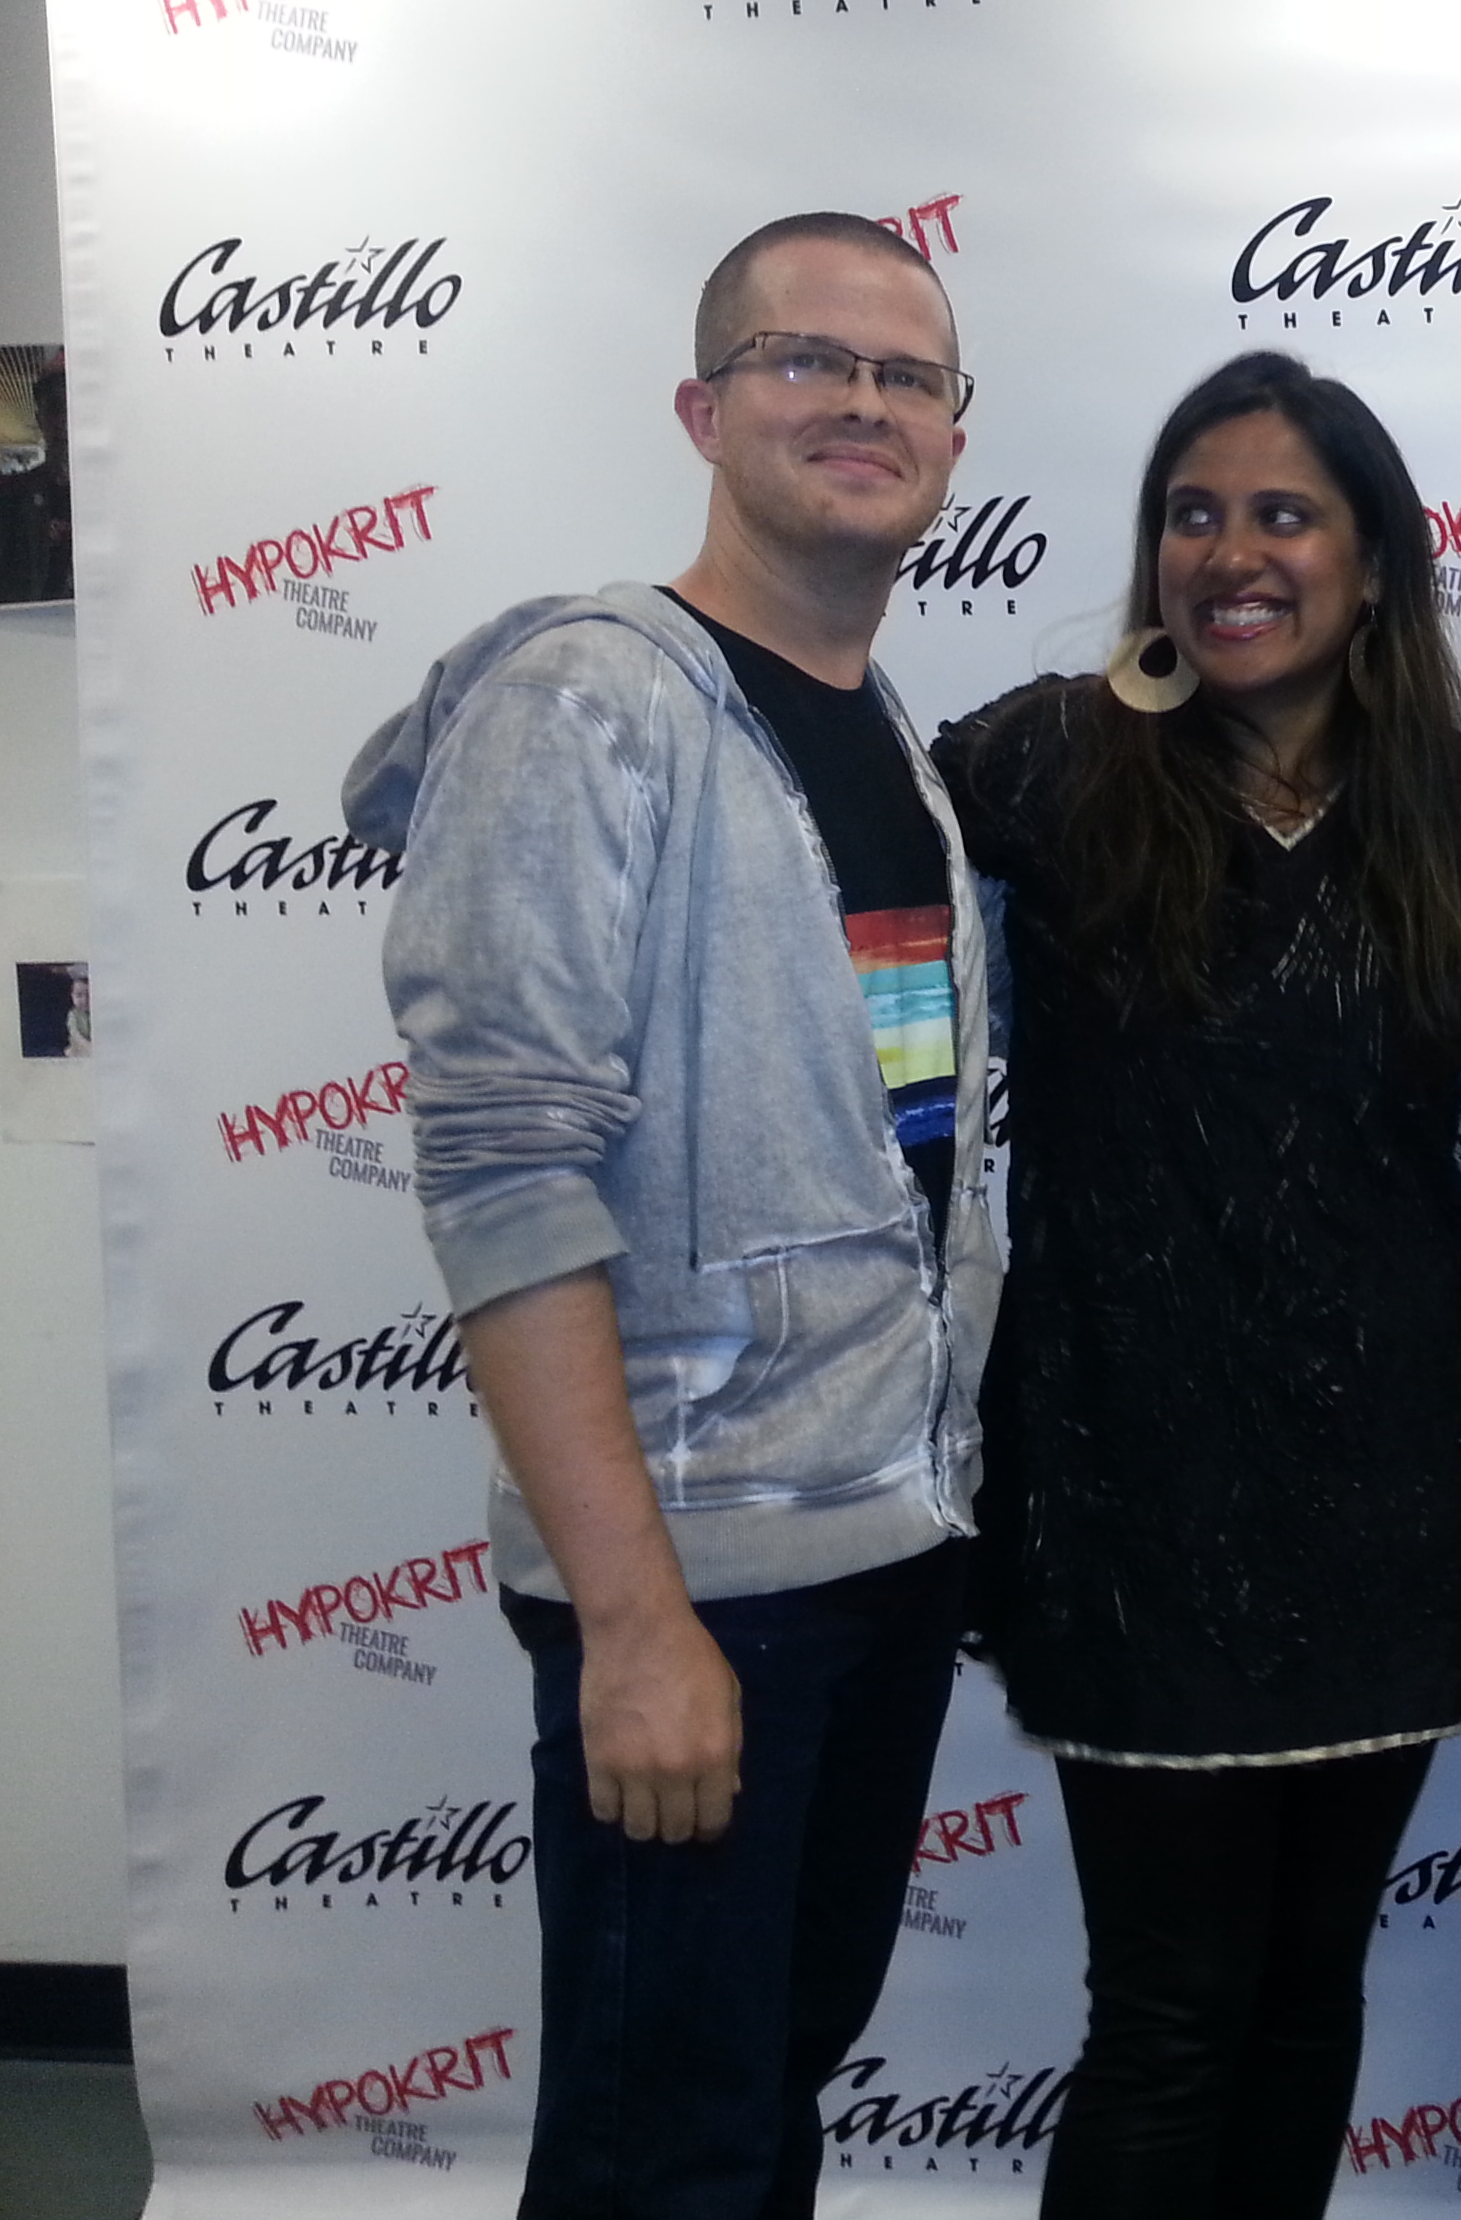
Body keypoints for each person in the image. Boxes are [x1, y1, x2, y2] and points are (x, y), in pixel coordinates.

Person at [346, 212, 999, 2217]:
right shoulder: (593, 700)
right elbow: (503, 1167)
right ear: (706, 408)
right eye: (812, 362)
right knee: (664, 2152)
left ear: (956, 437)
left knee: (757, 2098)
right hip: (700, 1597)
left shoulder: (890, 738)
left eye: (908, 377)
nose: (863, 404)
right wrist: (635, 1625)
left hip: (883, 1551)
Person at [929, 352, 1461, 2220]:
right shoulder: (1039, 759)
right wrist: (895, 1120)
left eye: (1281, 513)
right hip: (1125, 1491)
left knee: (1302, 1994)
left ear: (1367, 559)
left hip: (1390, 1496)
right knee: (1170, 2010)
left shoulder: (1455, 794)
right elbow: (861, 933)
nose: (1230, 552)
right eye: (1193, 511)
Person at [0, 359, 72, 604]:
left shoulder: (114, 494)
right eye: (55, 409)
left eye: (70, 409)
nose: (64, 422)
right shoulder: (11, 495)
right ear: (40, 418)